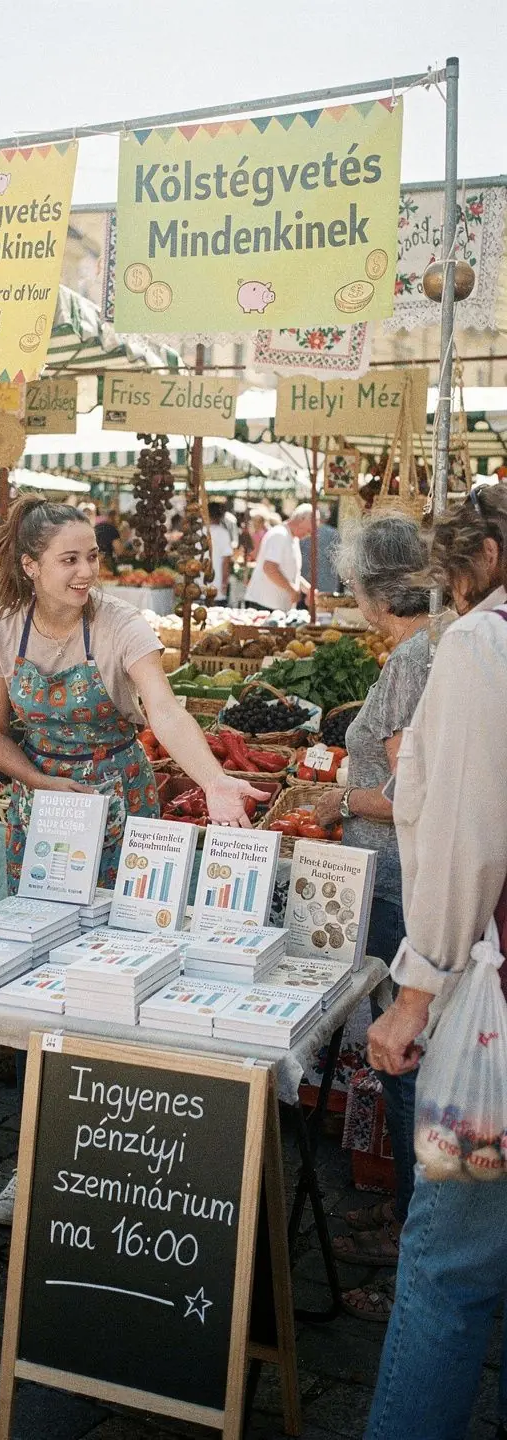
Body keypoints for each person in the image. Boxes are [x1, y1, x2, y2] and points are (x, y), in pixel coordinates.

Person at [0, 499, 265, 1225]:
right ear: (30, 566)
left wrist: (214, 782)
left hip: (125, 807)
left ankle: (125, 1150)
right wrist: (41, 785)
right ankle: (32, 1160)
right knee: (47, 983)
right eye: (67, 559)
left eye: (91, 557)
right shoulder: (1, 627)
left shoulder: (122, 624)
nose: (84, 572)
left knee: (127, 974)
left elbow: (164, 710)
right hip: (48, 819)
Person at [363, 482, 507, 1440]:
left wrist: (412, 998)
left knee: (450, 1269)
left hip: (498, 1002)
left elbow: (464, 842)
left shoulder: (482, 644)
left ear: (483, 561)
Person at [309, 516, 431, 1321]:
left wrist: (337, 801)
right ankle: (406, 1218)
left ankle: (414, 1235)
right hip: (401, 882)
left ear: (363, 587)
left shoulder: (419, 657)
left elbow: (410, 796)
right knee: (404, 1049)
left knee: (404, 1052)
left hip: (398, 884)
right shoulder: (439, 644)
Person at [243, 503, 313, 611]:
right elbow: (270, 568)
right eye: (308, 530)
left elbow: (290, 572)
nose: (309, 534)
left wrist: (308, 589)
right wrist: (291, 590)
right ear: (301, 520)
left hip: (276, 607)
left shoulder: (293, 538)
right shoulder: (280, 535)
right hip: (264, 605)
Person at [300, 504, 342, 595]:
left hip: (304, 582)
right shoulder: (334, 533)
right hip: (327, 583)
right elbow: (338, 559)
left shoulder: (304, 531)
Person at [207, 501, 235, 603]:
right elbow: (226, 561)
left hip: (199, 586)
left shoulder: (199, 531)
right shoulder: (223, 533)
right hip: (216, 586)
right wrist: (224, 583)